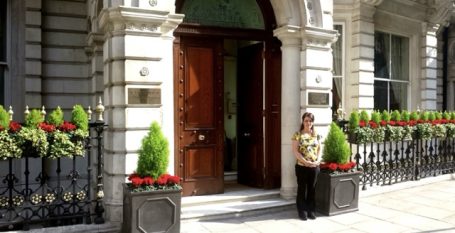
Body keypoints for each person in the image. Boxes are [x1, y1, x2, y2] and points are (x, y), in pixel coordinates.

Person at [291, 112, 321, 221]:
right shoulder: (297, 134)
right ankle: (302, 211)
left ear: (313, 122)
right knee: (302, 189)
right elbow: (295, 151)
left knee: (312, 189)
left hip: (314, 167)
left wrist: (317, 160)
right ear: (303, 122)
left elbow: (319, 149)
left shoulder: (316, 134)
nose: (308, 122)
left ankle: (311, 210)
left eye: (310, 121)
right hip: (302, 167)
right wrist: (305, 162)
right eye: (306, 120)